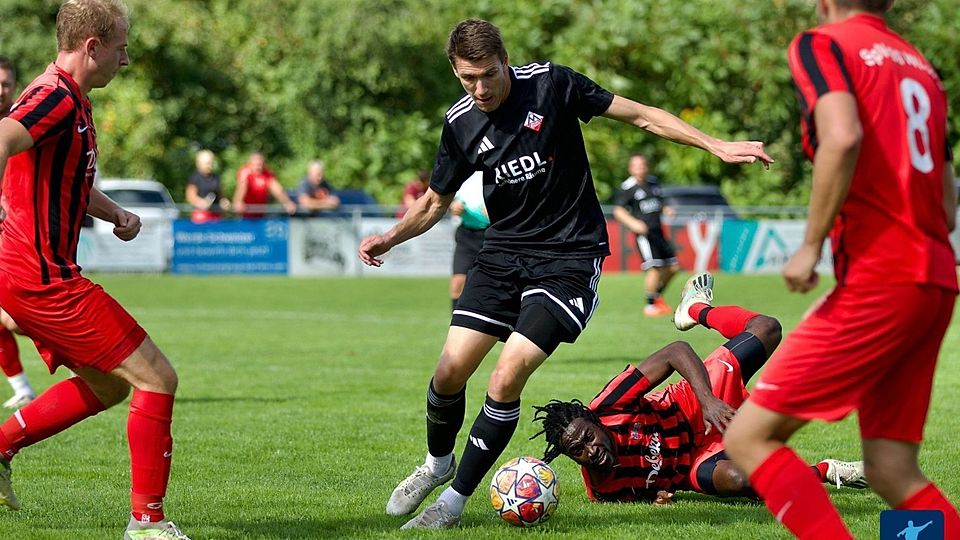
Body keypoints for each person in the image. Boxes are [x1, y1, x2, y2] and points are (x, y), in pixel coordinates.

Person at [357, 19, 772, 529]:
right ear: (455, 72)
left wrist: (716, 145)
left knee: (507, 375)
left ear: (504, 59)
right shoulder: (461, 123)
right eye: (468, 79)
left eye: (488, 75)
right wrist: (390, 238)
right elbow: (434, 202)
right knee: (448, 373)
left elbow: (641, 116)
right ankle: (435, 465)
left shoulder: (552, 85)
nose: (481, 88)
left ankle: (452, 504)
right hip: (503, 253)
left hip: (570, 258)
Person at [722, 1, 959, 539]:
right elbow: (946, 205)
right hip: (935, 281)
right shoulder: (920, 65)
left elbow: (843, 135)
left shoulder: (823, 44)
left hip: (884, 279)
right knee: (890, 469)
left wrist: (810, 244)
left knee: (750, 438)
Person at [0, 1, 190, 538]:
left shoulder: (69, 97)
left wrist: (115, 213)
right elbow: (2, 138)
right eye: (121, 47)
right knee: (157, 378)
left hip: (31, 274)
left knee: (109, 386)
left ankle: (1, 447)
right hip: (43, 278)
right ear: (92, 46)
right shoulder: (54, 97)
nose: (125, 59)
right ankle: (147, 523)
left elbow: (65, 181)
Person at [532, 272, 867, 504]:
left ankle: (695, 308)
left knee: (767, 329)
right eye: (578, 451)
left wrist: (707, 401)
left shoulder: (608, 406)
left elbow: (675, 351)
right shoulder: (603, 490)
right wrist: (656, 497)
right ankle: (831, 471)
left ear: (594, 422)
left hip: (697, 402)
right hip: (695, 462)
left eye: (588, 438)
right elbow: (639, 491)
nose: (590, 451)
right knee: (743, 482)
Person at [0, 56, 37, 410]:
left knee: (16, 320)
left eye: (6, 83)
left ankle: (88, 356)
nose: (0, 90)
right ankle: (23, 387)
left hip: (24, 239)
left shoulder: (24, 122)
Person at [612, 154, 680, 317]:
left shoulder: (653, 183)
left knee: (673, 267)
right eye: (636, 165)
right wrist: (633, 223)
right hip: (645, 235)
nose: (640, 168)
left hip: (658, 232)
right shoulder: (628, 187)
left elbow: (660, 202)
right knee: (654, 269)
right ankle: (650, 306)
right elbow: (618, 210)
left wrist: (666, 209)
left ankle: (657, 297)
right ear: (630, 168)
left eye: (642, 165)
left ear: (646, 166)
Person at [449, 171, 489, 311]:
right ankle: (455, 325)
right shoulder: (466, 172)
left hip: (492, 235)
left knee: (489, 286)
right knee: (457, 283)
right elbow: (453, 201)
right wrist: (454, 207)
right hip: (467, 235)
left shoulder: (498, 168)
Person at [232, 151, 296, 218]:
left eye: (260, 164)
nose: (258, 167)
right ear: (251, 163)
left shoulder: (267, 174)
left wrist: (287, 203)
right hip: (245, 213)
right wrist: (238, 201)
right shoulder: (245, 172)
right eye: (256, 164)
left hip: (261, 214)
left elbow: (277, 190)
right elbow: (242, 187)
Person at [184, 149, 229, 224]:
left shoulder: (215, 178)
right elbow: (190, 196)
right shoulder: (195, 177)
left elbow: (220, 195)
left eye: (210, 163)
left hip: (216, 216)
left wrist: (224, 202)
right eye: (207, 163)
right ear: (199, 163)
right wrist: (201, 203)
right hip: (201, 216)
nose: (209, 165)